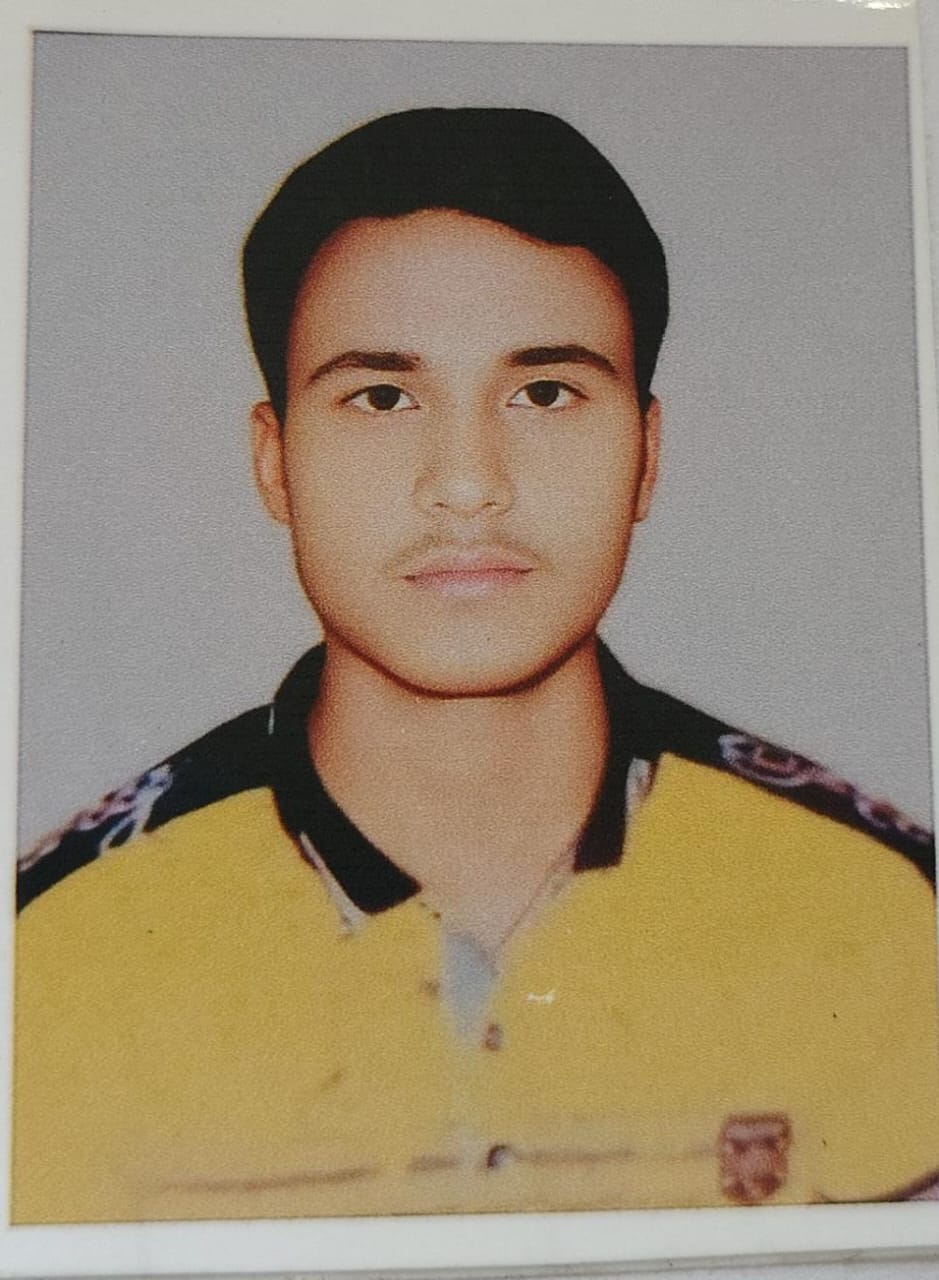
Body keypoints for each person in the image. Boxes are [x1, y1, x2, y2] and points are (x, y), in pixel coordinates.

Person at [13, 107, 939, 1224]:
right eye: (382, 397)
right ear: (274, 462)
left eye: (544, 394)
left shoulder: (889, 911)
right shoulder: (49, 952)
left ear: (646, 455)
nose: (465, 484)